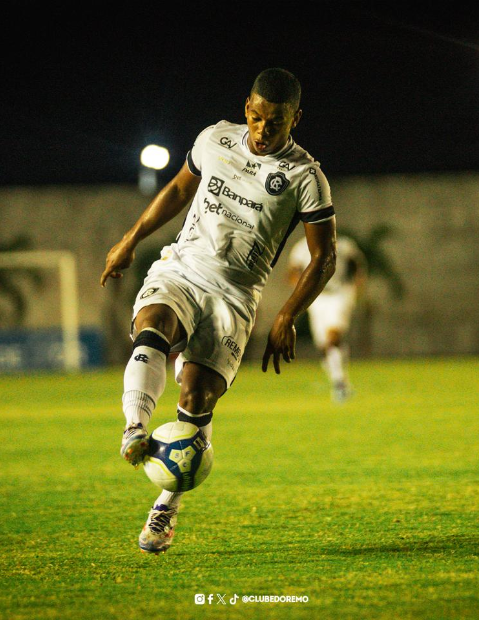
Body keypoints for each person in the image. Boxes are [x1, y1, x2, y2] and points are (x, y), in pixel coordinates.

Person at [100, 68, 337, 554]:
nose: (262, 131)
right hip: (183, 269)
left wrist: (288, 314)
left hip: (235, 295)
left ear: (296, 118)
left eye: (276, 123)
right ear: (246, 106)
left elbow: (324, 256)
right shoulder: (214, 139)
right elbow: (177, 191)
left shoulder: (306, 178)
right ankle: (135, 428)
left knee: (197, 396)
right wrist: (130, 239)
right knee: (154, 326)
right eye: (255, 117)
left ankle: (166, 506)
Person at [288, 234, 367, 402]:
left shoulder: (344, 244)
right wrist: (301, 294)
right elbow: (293, 272)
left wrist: (356, 288)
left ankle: (339, 386)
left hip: (339, 294)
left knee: (333, 336)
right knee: (324, 345)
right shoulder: (301, 248)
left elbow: (357, 265)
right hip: (317, 297)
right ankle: (340, 380)